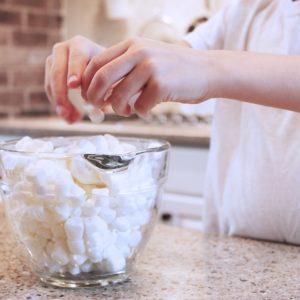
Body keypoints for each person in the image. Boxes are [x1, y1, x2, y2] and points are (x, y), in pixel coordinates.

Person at [45, 0, 300, 244]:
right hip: (232, 253)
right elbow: (168, 65)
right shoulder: (247, 10)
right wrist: (108, 66)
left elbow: (199, 65)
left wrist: (209, 67)